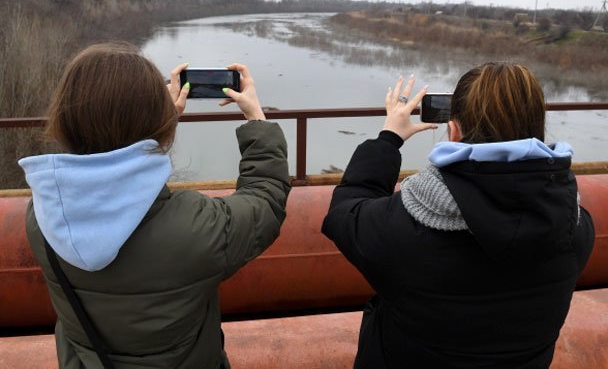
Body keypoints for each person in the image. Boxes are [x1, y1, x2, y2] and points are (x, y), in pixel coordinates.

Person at [18, 42, 291, 368]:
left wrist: (158, 126)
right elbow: (265, 198)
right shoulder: (195, 227)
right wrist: (255, 118)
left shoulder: (43, 217)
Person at [322, 63, 595, 368]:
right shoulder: (576, 229)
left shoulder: (404, 229)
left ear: (452, 131)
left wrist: (388, 139)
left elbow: (345, 211)